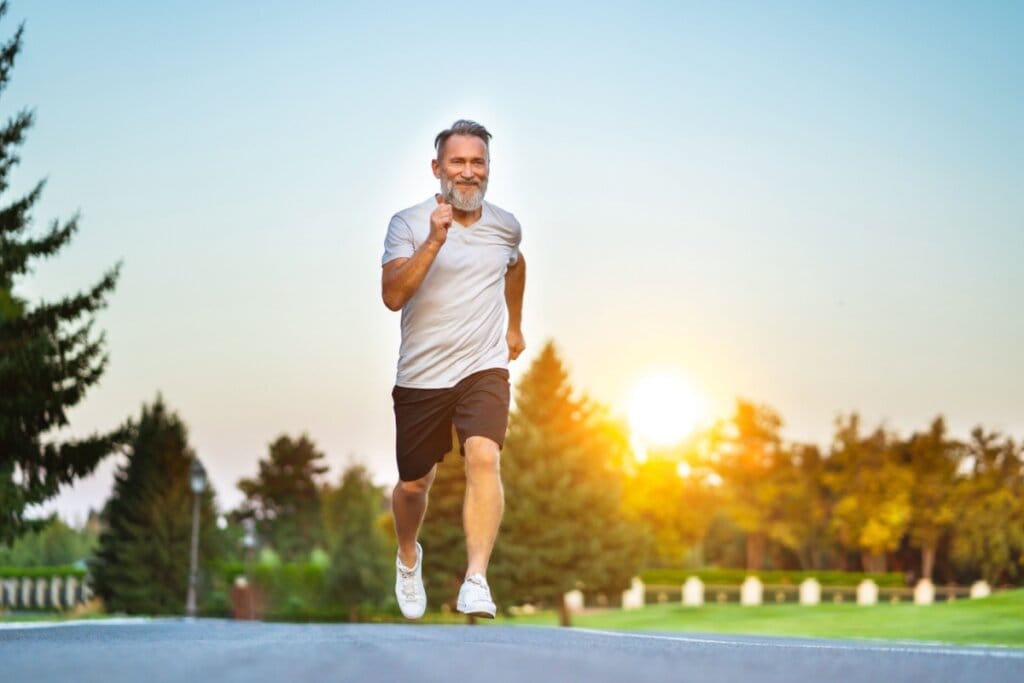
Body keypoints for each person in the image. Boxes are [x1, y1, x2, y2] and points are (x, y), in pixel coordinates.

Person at [380, 119, 526, 619]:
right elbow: (393, 295)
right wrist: (434, 242)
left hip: (482, 367)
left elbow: (516, 264)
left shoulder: (505, 226)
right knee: (415, 485)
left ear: (488, 169)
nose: (468, 172)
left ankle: (476, 579)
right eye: (458, 162)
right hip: (422, 374)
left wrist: (515, 326)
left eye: (478, 162)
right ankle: (407, 555)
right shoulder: (408, 222)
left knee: (483, 456)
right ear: (438, 168)